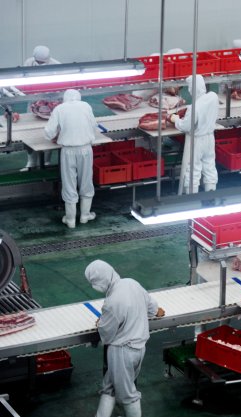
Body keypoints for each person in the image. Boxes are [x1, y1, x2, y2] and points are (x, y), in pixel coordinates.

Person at [85, 260, 165, 417]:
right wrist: (157, 311)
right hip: (139, 348)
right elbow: (152, 308)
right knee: (109, 387)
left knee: (128, 395)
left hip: (121, 352)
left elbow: (107, 334)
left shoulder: (112, 302)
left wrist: (101, 322)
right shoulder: (131, 283)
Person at [43, 90, 97, 229]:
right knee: (86, 181)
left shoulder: (59, 109)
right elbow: (94, 125)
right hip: (85, 149)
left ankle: (70, 219)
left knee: (69, 183)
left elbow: (49, 133)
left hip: (68, 151)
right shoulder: (86, 106)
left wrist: (57, 134)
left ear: (65, 99)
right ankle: (85, 215)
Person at [170, 75, 219, 194]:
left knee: (193, 169)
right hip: (210, 137)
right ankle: (211, 194)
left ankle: (192, 198)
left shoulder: (194, 108)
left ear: (192, 89)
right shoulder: (213, 97)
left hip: (197, 140)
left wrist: (176, 120)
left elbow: (186, 126)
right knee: (209, 165)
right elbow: (204, 107)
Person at [22, 46, 61, 171]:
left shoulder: (57, 66)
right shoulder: (28, 62)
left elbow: (61, 87)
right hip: (33, 101)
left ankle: (47, 162)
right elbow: (23, 79)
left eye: (42, 62)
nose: (40, 64)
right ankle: (31, 163)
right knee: (30, 133)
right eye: (38, 62)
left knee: (48, 132)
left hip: (50, 103)